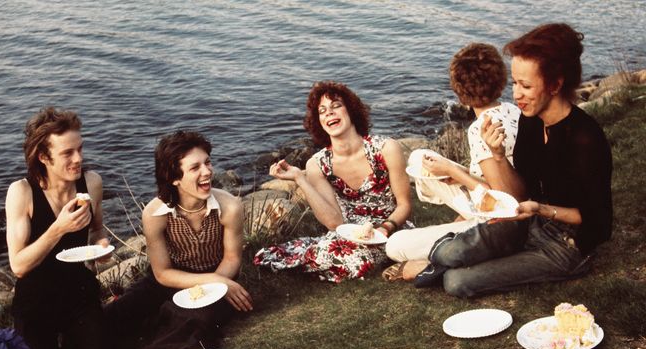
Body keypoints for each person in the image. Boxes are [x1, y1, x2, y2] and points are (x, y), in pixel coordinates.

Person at [413, 23, 612, 297]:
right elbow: (517, 193)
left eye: (526, 86)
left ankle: (451, 262)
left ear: (555, 84)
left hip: (568, 244)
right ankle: (446, 256)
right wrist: (498, 156)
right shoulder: (529, 120)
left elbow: (598, 224)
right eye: (515, 83)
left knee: (457, 282)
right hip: (529, 222)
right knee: (450, 252)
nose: (516, 94)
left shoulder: (585, 138)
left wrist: (541, 209)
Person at [104, 130, 251, 349]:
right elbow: (162, 272)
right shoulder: (155, 213)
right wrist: (215, 283)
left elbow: (232, 259)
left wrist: (217, 283)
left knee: (195, 318)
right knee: (117, 313)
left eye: (208, 162)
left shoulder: (229, 206)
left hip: (217, 274)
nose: (207, 171)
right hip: (171, 278)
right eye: (195, 168)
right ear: (174, 177)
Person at [383, 43, 523, 282]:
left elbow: (501, 199)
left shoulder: (481, 128)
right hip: (501, 196)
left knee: (394, 245)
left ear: (460, 93)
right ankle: (460, 223)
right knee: (419, 158)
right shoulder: (513, 110)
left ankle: (440, 254)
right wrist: (457, 172)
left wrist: (453, 171)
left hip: (496, 217)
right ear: (501, 80)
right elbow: (500, 174)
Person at [253, 81, 412, 282]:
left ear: (351, 111)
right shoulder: (317, 164)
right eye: (322, 111)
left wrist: (385, 228)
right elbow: (334, 222)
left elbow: (405, 204)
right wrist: (301, 179)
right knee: (336, 252)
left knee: (350, 258)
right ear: (318, 121)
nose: (329, 113)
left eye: (336, 106)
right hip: (348, 234)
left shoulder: (387, 148)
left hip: (392, 229)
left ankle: (313, 264)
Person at [5, 107, 109, 349]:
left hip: (78, 291)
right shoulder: (22, 193)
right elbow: (18, 266)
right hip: (36, 299)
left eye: (80, 149)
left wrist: (102, 247)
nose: (79, 159)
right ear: (43, 157)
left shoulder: (92, 183)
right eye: (67, 153)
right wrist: (58, 228)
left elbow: (98, 231)